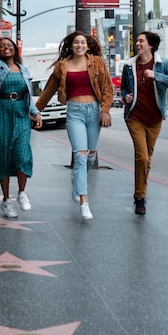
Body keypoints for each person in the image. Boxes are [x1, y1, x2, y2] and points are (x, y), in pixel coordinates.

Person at [36, 31, 113, 221]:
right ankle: (84, 202)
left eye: (83, 43)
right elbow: (48, 91)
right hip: (74, 112)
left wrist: (105, 110)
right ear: (71, 46)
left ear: (87, 46)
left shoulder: (97, 63)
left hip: (94, 112)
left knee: (90, 156)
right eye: (76, 42)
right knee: (80, 155)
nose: (79, 45)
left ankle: (77, 183)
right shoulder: (63, 67)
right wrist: (36, 110)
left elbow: (108, 89)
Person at [0, 0, 42, 218]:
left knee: (23, 152)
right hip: (1, 111)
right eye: (2, 46)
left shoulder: (24, 70)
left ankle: (22, 193)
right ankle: (6, 200)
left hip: (20, 113)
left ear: (15, 49)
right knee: (2, 154)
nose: (6, 47)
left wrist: (35, 113)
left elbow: (28, 94)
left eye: (9, 45)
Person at [121, 30, 168, 215]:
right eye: (137, 41)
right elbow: (124, 88)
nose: (138, 44)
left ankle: (140, 191)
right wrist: (126, 96)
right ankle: (140, 198)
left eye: (141, 41)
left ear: (151, 45)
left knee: (147, 159)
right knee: (143, 157)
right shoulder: (129, 66)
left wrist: (157, 76)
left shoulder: (162, 64)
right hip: (135, 117)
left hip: (155, 118)